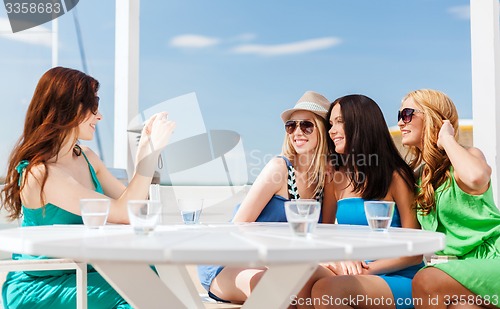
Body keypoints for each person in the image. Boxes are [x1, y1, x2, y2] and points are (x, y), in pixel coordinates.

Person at [0, 66, 175, 309]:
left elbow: (137, 208)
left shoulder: (87, 157)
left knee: (152, 277)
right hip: (45, 283)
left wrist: (147, 149)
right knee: (141, 295)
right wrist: (147, 156)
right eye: (93, 106)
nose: (99, 116)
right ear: (67, 108)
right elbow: (125, 214)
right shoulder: (42, 173)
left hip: (86, 271)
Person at [197, 90, 333, 304]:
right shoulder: (278, 169)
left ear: (324, 130)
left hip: (284, 266)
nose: (297, 132)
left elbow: (324, 236)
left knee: (329, 288)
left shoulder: (326, 180)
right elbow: (239, 226)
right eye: (291, 126)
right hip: (233, 261)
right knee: (276, 291)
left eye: (306, 125)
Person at [310, 94, 423, 309]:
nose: (331, 131)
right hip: (353, 272)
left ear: (361, 124)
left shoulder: (396, 176)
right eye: (330, 124)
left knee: (327, 290)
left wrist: (366, 269)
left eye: (339, 122)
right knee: (300, 276)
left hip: (400, 278)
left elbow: (415, 254)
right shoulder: (334, 177)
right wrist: (339, 259)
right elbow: (323, 235)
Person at [398, 89, 500, 309]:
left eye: (406, 114)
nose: (400, 123)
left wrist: (446, 138)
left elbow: (476, 177)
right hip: (458, 270)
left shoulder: (469, 156)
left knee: (427, 280)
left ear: (433, 117)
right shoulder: (418, 178)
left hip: (493, 259)